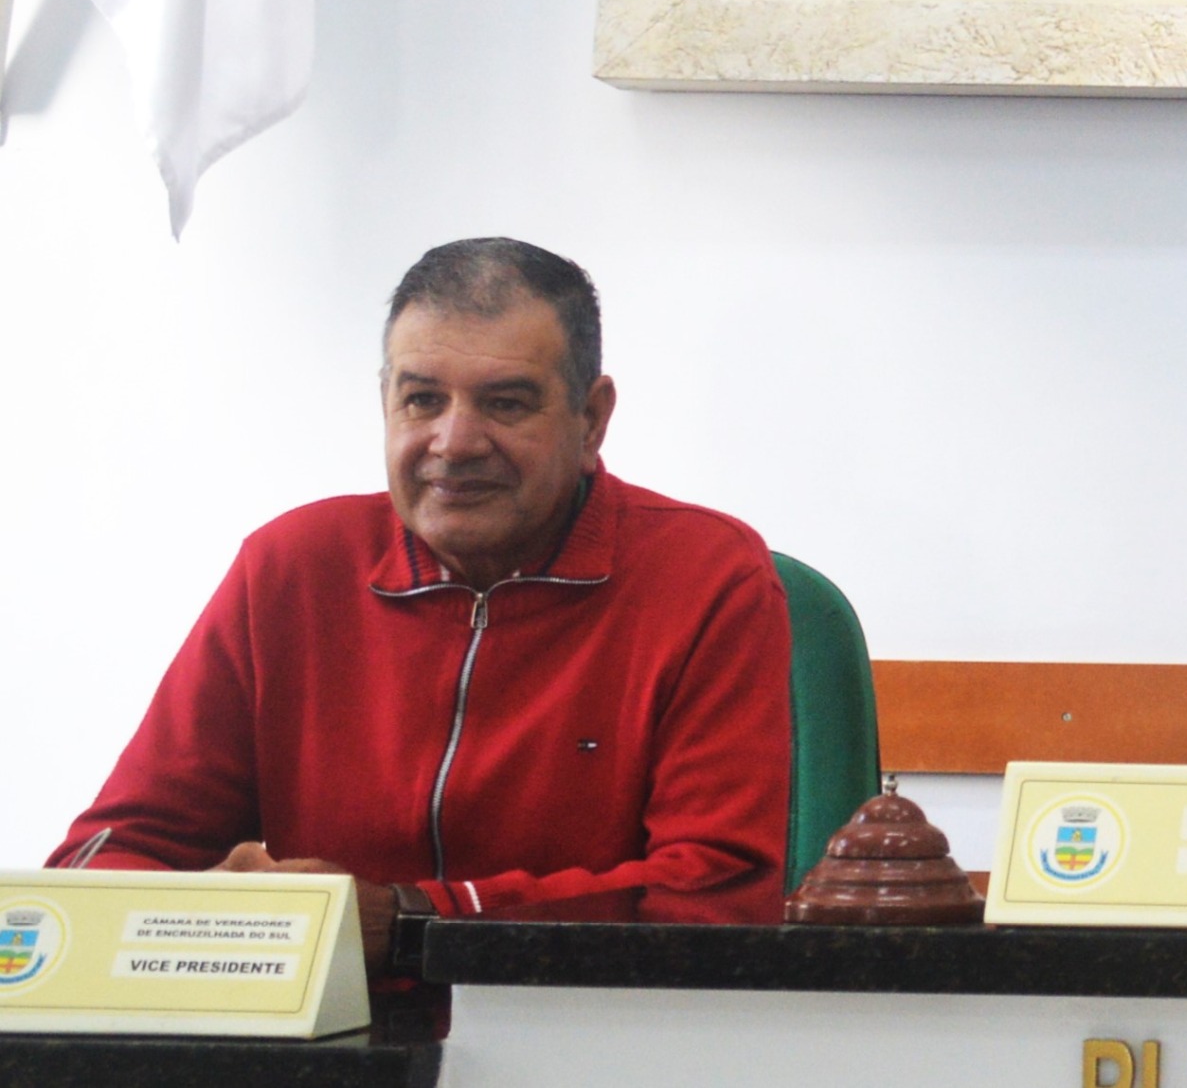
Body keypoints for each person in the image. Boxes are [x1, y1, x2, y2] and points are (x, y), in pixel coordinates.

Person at [53, 239, 795, 921]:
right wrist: (207, 911)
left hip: (576, 1014)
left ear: (591, 420)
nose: (455, 441)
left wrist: (410, 918)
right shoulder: (289, 569)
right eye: (422, 400)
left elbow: (710, 897)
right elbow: (103, 861)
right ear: (385, 403)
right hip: (324, 1016)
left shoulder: (706, 577)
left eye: (506, 403)